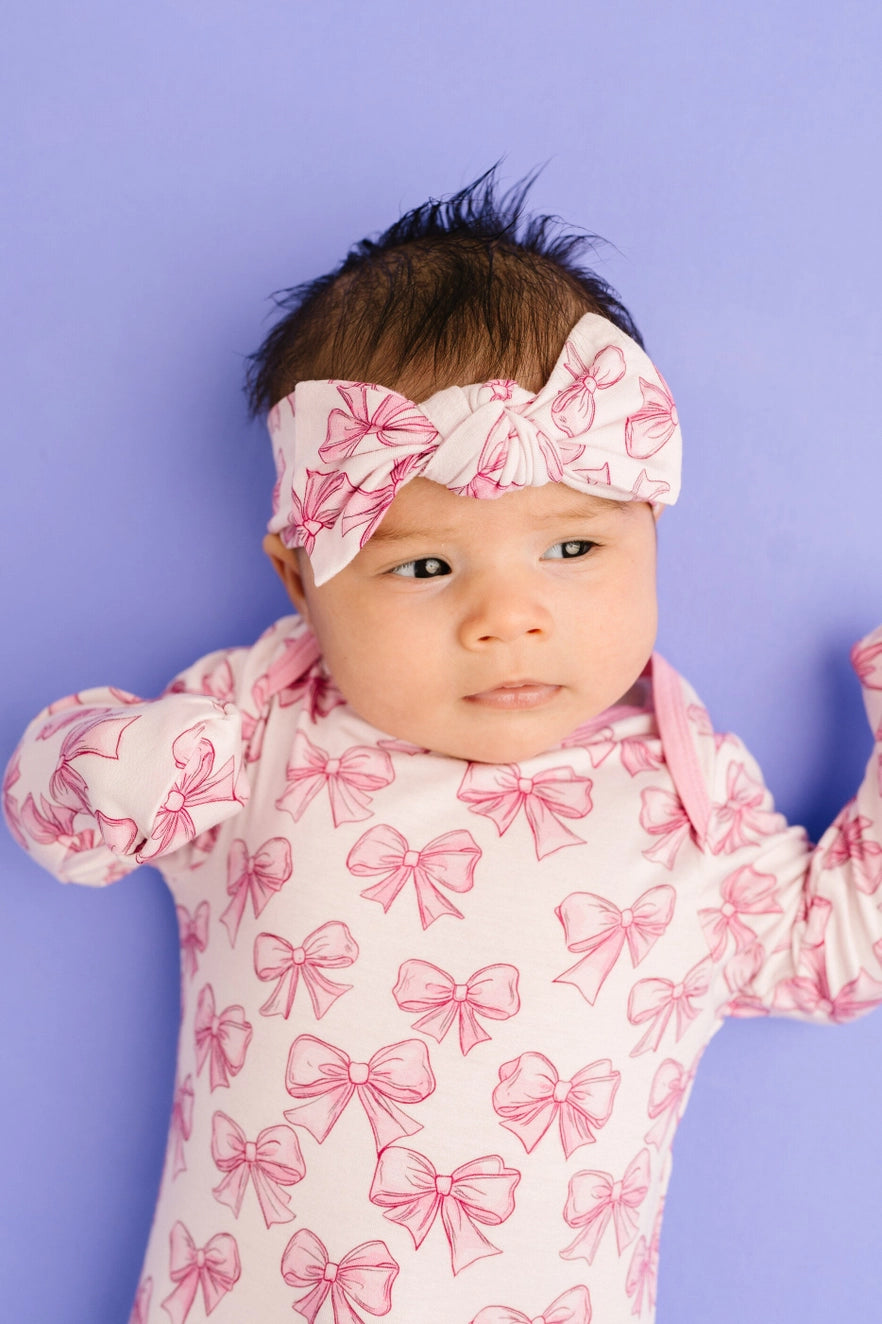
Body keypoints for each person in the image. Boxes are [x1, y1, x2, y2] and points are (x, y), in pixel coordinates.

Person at [4, 171, 882, 1324]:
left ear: (650, 525)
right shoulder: (259, 728)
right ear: (302, 578)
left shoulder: (685, 800)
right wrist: (124, 762)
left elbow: (835, 954)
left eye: (571, 549)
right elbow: (56, 818)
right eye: (427, 567)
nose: (506, 617)